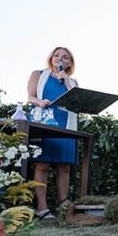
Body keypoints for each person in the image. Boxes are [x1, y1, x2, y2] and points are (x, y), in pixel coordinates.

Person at [26, 47, 78, 220]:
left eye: (65, 57)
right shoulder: (38, 75)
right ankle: (42, 208)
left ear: (70, 63)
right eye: (57, 55)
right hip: (45, 121)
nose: (60, 59)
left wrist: (67, 81)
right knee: (43, 164)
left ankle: (63, 207)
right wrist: (39, 102)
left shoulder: (72, 82)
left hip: (66, 123)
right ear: (51, 58)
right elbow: (30, 97)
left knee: (64, 166)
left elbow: (78, 101)